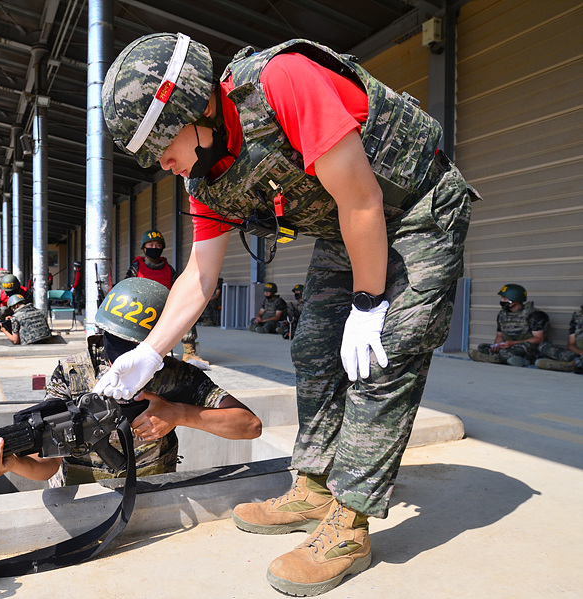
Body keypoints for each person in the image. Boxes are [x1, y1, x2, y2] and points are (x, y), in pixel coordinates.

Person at [98, 32, 478, 595]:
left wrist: (371, 304)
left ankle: (349, 523)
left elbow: (363, 199)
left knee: (382, 352)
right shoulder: (206, 179)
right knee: (314, 347)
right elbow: (200, 277)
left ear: (195, 106)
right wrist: (148, 353)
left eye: (161, 143)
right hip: (346, 224)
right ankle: (315, 484)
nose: (161, 162)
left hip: (413, 205)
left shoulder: (281, 82)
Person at [0, 277, 260, 486]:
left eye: (136, 348)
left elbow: (250, 426)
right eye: (113, 343)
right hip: (83, 499)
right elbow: (46, 465)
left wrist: (180, 413)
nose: (120, 359)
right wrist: (10, 463)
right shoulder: (73, 375)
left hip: (155, 492)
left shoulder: (178, 376)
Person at [126, 229, 209, 370]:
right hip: (141, 308)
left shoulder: (169, 269)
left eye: (158, 245)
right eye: (150, 244)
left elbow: (178, 288)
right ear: (144, 247)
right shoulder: (136, 267)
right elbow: (128, 287)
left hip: (165, 307)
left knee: (186, 314)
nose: (154, 248)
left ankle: (190, 353)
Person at [468, 284, 549, 367]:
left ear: (515, 299)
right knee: (482, 347)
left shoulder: (534, 315)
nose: (502, 301)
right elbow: (499, 336)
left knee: (516, 349)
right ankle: (517, 360)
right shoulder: (502, 315)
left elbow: (538, 339)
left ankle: (493, 359)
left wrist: (512, 343)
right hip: (509, 346)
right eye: (502, 298)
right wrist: (498, 345)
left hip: (527, 348)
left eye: (505, 298)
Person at [535, 295, 582, 374]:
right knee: (543, 347)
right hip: (578, 355)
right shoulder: (578, 317)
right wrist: (580, 352)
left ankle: (570, 365)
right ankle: (576, 363)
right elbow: (571, 345)